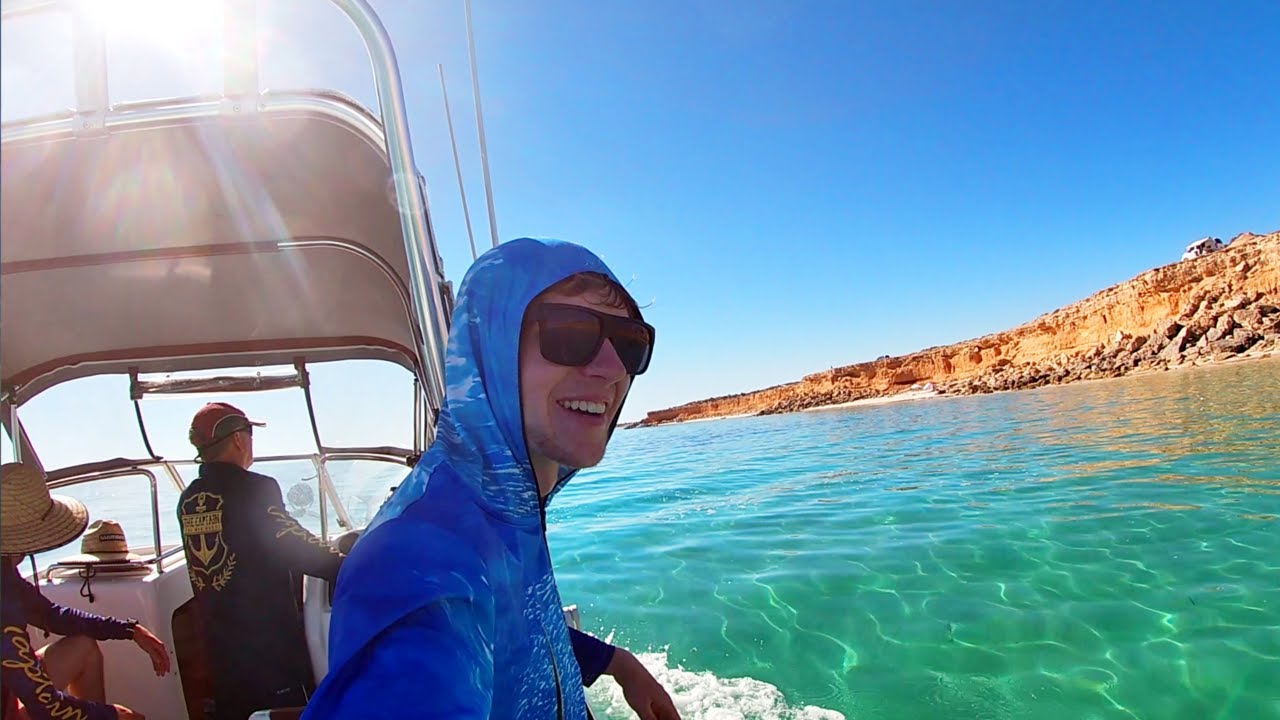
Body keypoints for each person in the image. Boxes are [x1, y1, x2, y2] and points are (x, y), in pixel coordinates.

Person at [303, 238, 680, 719]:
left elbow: (509, 624)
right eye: (570, 334)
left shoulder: (505, 508)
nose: (611, 370)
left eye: (629, 344)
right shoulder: (421, 563)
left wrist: (613, 661)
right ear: (492, 349)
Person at [177, 402, 344, 720]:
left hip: (221, 650)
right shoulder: (255, 488)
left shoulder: (190, 499)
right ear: (239, 439)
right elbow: (293, 545)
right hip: (266, 649)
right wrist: (347, 564)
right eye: (249, 434)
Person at [1, 462, 171, 720]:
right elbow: (45, 707)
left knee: (82, 646)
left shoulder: (5, 573)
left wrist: (128, 629)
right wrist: (111, 715)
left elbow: (52, 615)